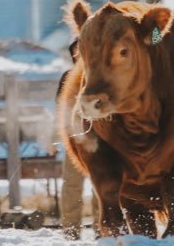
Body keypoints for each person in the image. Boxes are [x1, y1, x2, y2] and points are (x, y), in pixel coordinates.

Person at [53, 39, 99, 241]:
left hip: (101, 142)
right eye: (75, 51)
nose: (78, 54)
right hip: (75, 140)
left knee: (102, 188)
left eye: (82, 50)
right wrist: (56, 137)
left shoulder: (102, 76)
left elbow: (156, 38)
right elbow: (60, 109)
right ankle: (70, 232)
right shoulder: (67, 77)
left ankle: (102, 229)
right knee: (71, 186)